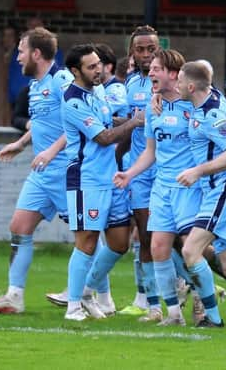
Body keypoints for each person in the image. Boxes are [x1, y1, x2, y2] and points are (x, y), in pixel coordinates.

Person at [0, 27, 74, 315]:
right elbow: (42, 126)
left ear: (36, 53)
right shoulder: (34, 85)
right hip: (42, 171)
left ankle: (91, 294)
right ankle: (14, 296)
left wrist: (51, 151)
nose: (17, 57)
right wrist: (20, 144)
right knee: (19, 228)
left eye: (20, 51)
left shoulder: (62, 80)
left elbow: (79, 122)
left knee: (88, 236)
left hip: (67, 171)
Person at [114, 49, 194, 325]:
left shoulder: (198, 102)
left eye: (156, 68)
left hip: (192, 186)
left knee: (195, 249)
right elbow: (150, 151)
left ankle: (211, 295)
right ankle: (170, 312)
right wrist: (129, 173)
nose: (150, 72)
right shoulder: (152, 104)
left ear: (173, 74)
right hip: (160, 185)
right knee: (155, 243)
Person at [62, 43, 141, 321]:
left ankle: (86, 291)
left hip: (111, 177)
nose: (99, 70)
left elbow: (108, 121)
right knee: (87, 241)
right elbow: (104, 137)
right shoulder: (72, 100)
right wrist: (135, 122)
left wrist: (131, 119)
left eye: (99, 64)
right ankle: (72, 305)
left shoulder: (97, 92)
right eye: (91, 66)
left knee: (119, 243)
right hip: (87, 180)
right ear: (76, 71)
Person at [118, 25, 161, 319]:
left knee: (174, 238)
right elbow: (126, 125)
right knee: (145, 235)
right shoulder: (130, 84)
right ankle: (148, 299)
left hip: (168, 170)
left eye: (151, 49)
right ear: (132, 52)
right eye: (140, 49)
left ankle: (194, 289)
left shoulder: (172, 82)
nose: (145, 55)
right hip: (139, 169)